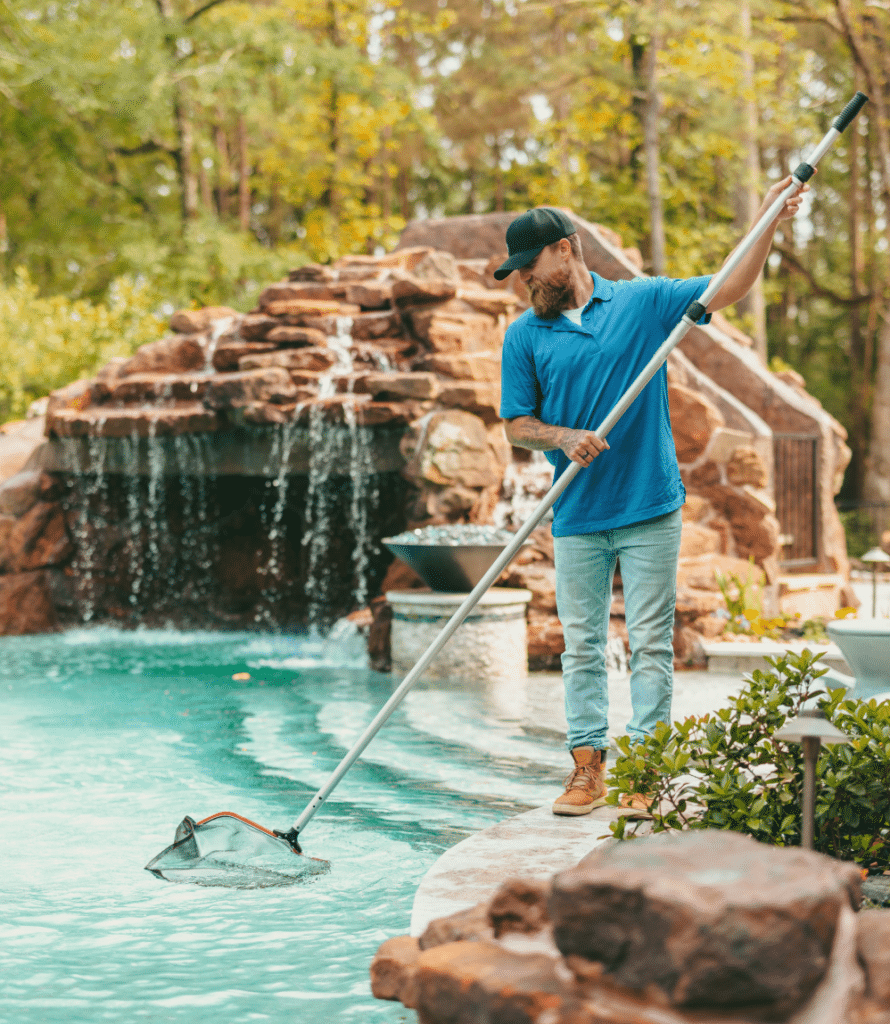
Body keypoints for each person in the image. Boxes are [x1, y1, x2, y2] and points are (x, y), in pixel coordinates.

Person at [495, 179, 807, 816]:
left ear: (565, 251)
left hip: (649, 507)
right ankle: (587, 770)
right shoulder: (525, 336)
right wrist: (563, 436)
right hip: (577, 512)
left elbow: (726, 286)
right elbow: (516, 425)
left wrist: (769, 222)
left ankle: (647, 769)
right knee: (580, 645)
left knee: (651, 642)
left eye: (530, 267)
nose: (526, 280)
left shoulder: (642, 303)